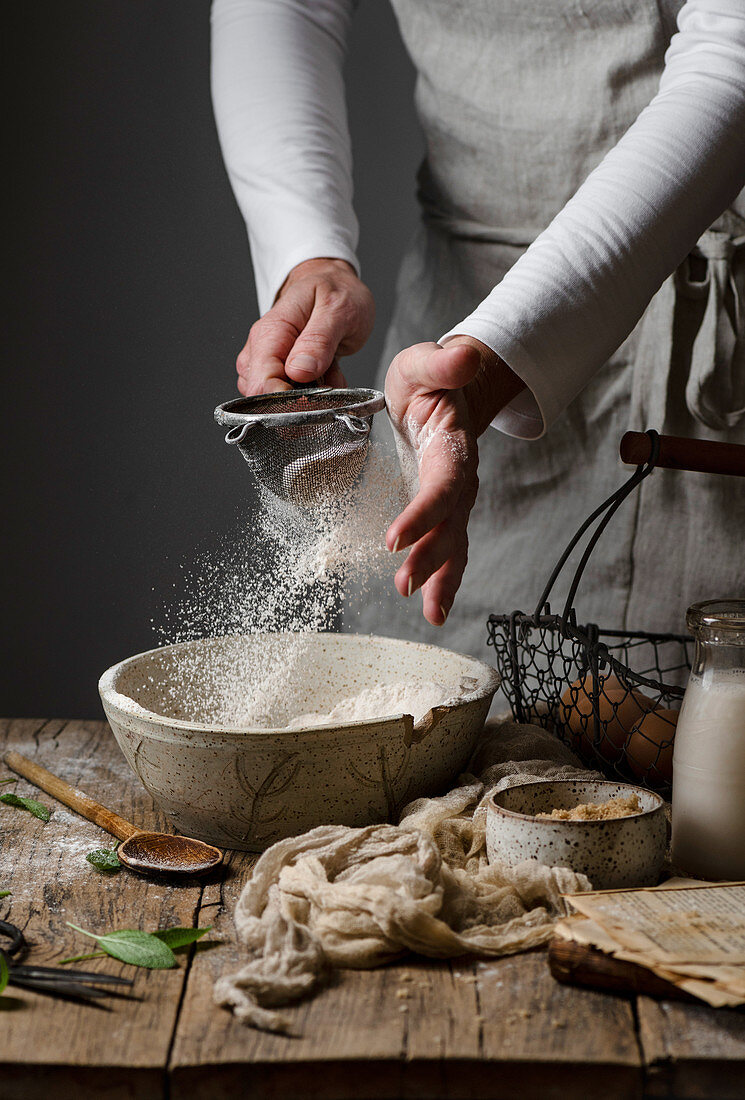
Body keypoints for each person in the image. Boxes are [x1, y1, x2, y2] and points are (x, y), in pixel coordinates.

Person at [210, 0, 745, 659]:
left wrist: (494, 365)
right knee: (449, 719)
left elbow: (731, 56)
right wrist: (306, 252)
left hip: (721, 370)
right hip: (453, 350)